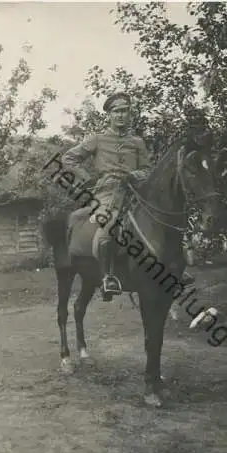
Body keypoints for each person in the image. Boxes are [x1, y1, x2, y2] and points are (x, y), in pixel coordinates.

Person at [61, 91, 152, 301]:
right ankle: (108, 277)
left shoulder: (137, 142)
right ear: (109, 115)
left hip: (136, 192)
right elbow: (69, 158)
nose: (121, 115)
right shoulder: (98, 139)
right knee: (107, 229)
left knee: (163, 219)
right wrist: (87, 179)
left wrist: (134, 175)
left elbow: (147, 169)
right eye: (116, 111)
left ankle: (173, 268)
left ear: (130, 114)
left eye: (125, 111)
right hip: (108, 194)